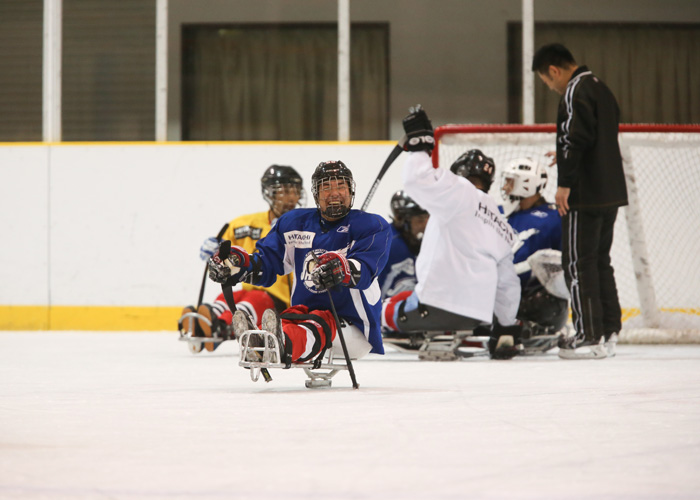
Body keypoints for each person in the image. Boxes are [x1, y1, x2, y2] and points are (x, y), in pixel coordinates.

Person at [207, 160, 391, 366]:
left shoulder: (372, 226)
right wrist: (237, 265)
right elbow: (265, 264)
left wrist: (341, 268)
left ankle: (280, 345)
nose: (334, 193)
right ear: (316, 194)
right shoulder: (294, 223)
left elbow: (365, 270)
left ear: (350, 190)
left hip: (354, 325)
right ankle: (263, 342)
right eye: (326, 187)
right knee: (290, 319)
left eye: (341, 186)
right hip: (305, 313)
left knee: (318, 323)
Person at [381, 106, 522, 359]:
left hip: (433, 308)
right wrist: (506, 328)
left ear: (458, 173)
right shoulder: (501, 222)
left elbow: (417, 179)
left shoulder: (459, 191)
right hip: (474, 317)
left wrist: (420, 145)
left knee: (382, 309)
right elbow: (508, 283)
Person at [532, 43, 628, 359]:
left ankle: (588, 335)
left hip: (584, 195)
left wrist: (565, 184)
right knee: (600, 261)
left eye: (547, 82)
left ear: (555, 70)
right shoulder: (601, 88)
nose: (551, 87)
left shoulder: (575, 90)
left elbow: (575, 138)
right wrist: (564, 156)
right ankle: (609, 329)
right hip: (609, 191)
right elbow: (594, 138)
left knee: (577, 263)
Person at [179, 164, 305, 352]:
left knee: (252, 301)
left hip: (280, 300)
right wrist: (215, 251)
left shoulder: (304, 224)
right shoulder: (246, 223)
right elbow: (225, 246)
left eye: (294, 191)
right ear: (269, 193)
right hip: (252, 289)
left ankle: (221, 328)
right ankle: (209, 318)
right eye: (284, 191)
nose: (291, 197)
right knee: (231, 295)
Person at [500, 157, 568, 353]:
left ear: (526, 184)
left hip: (538, 302)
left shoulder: (555, 218)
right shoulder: (504, 215)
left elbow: (564, 266)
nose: (505, 188)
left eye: (510, 181)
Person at [378, 190, 429, 300]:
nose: (426, 226)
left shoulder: (419, 242)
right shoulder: (390, 246)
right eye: (420, 220)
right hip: (386, 312)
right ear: (403, 221)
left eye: (428, 219)